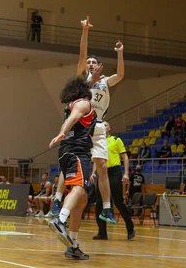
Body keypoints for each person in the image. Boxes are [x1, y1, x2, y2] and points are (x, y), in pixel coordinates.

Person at [50, 16, 123, 224]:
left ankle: (107, 208)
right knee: (72, 160)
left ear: (99, 66)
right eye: (88, 62)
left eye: (94, 62)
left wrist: (120, 53)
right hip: (81, 125)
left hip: (97, 124)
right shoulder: (82, 80)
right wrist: (85, 31)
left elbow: (121, 75)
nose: (90, 64)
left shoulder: (104, 81)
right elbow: (82, 53)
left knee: (101, 167)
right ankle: (57, 200)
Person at [48, 76, 98, 260]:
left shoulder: (72, 105)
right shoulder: (84, 104)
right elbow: (74, 119)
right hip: (77, 152)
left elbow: (72, 121)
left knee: (82, 199)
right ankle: (60, 220)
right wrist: (61, 133)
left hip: (68, 151)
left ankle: (73, 245)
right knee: (79, 188)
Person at [92, 122, 135, 241]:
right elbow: (97, 160)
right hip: (102, 172)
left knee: (118, 202)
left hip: (114, 172)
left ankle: (130, 227)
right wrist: (92, 173)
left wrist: (126, 173)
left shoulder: (116, 140)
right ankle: (102, 233)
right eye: (102, 125)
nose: (104, 127)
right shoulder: (97, 142)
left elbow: (125, 157)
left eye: (106, 125)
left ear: (109, 128)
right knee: (100, 203)